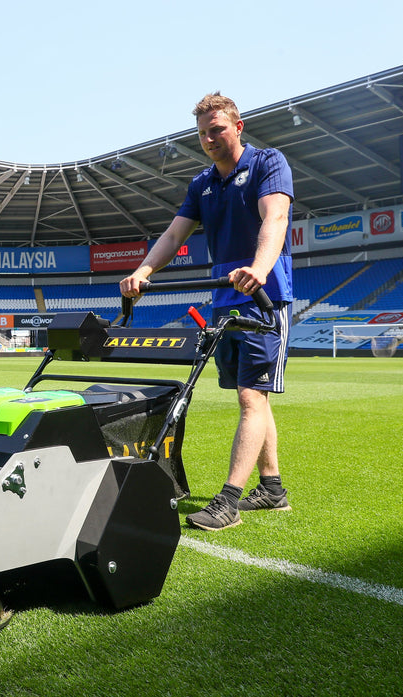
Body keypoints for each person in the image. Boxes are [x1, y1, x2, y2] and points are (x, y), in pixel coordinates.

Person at [120, 92, 294, 531]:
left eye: (216, 129)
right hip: (223, 301)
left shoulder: (268, 163)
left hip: (264, 297)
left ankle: (229, 501)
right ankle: (272, 489)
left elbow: (275, 218)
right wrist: (143, 270)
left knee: (252, 397)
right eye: (202, 134)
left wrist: (258, 268)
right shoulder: (202, 184)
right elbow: (175, 232)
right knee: (250, 394)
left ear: (237, 126)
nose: (209, 139)